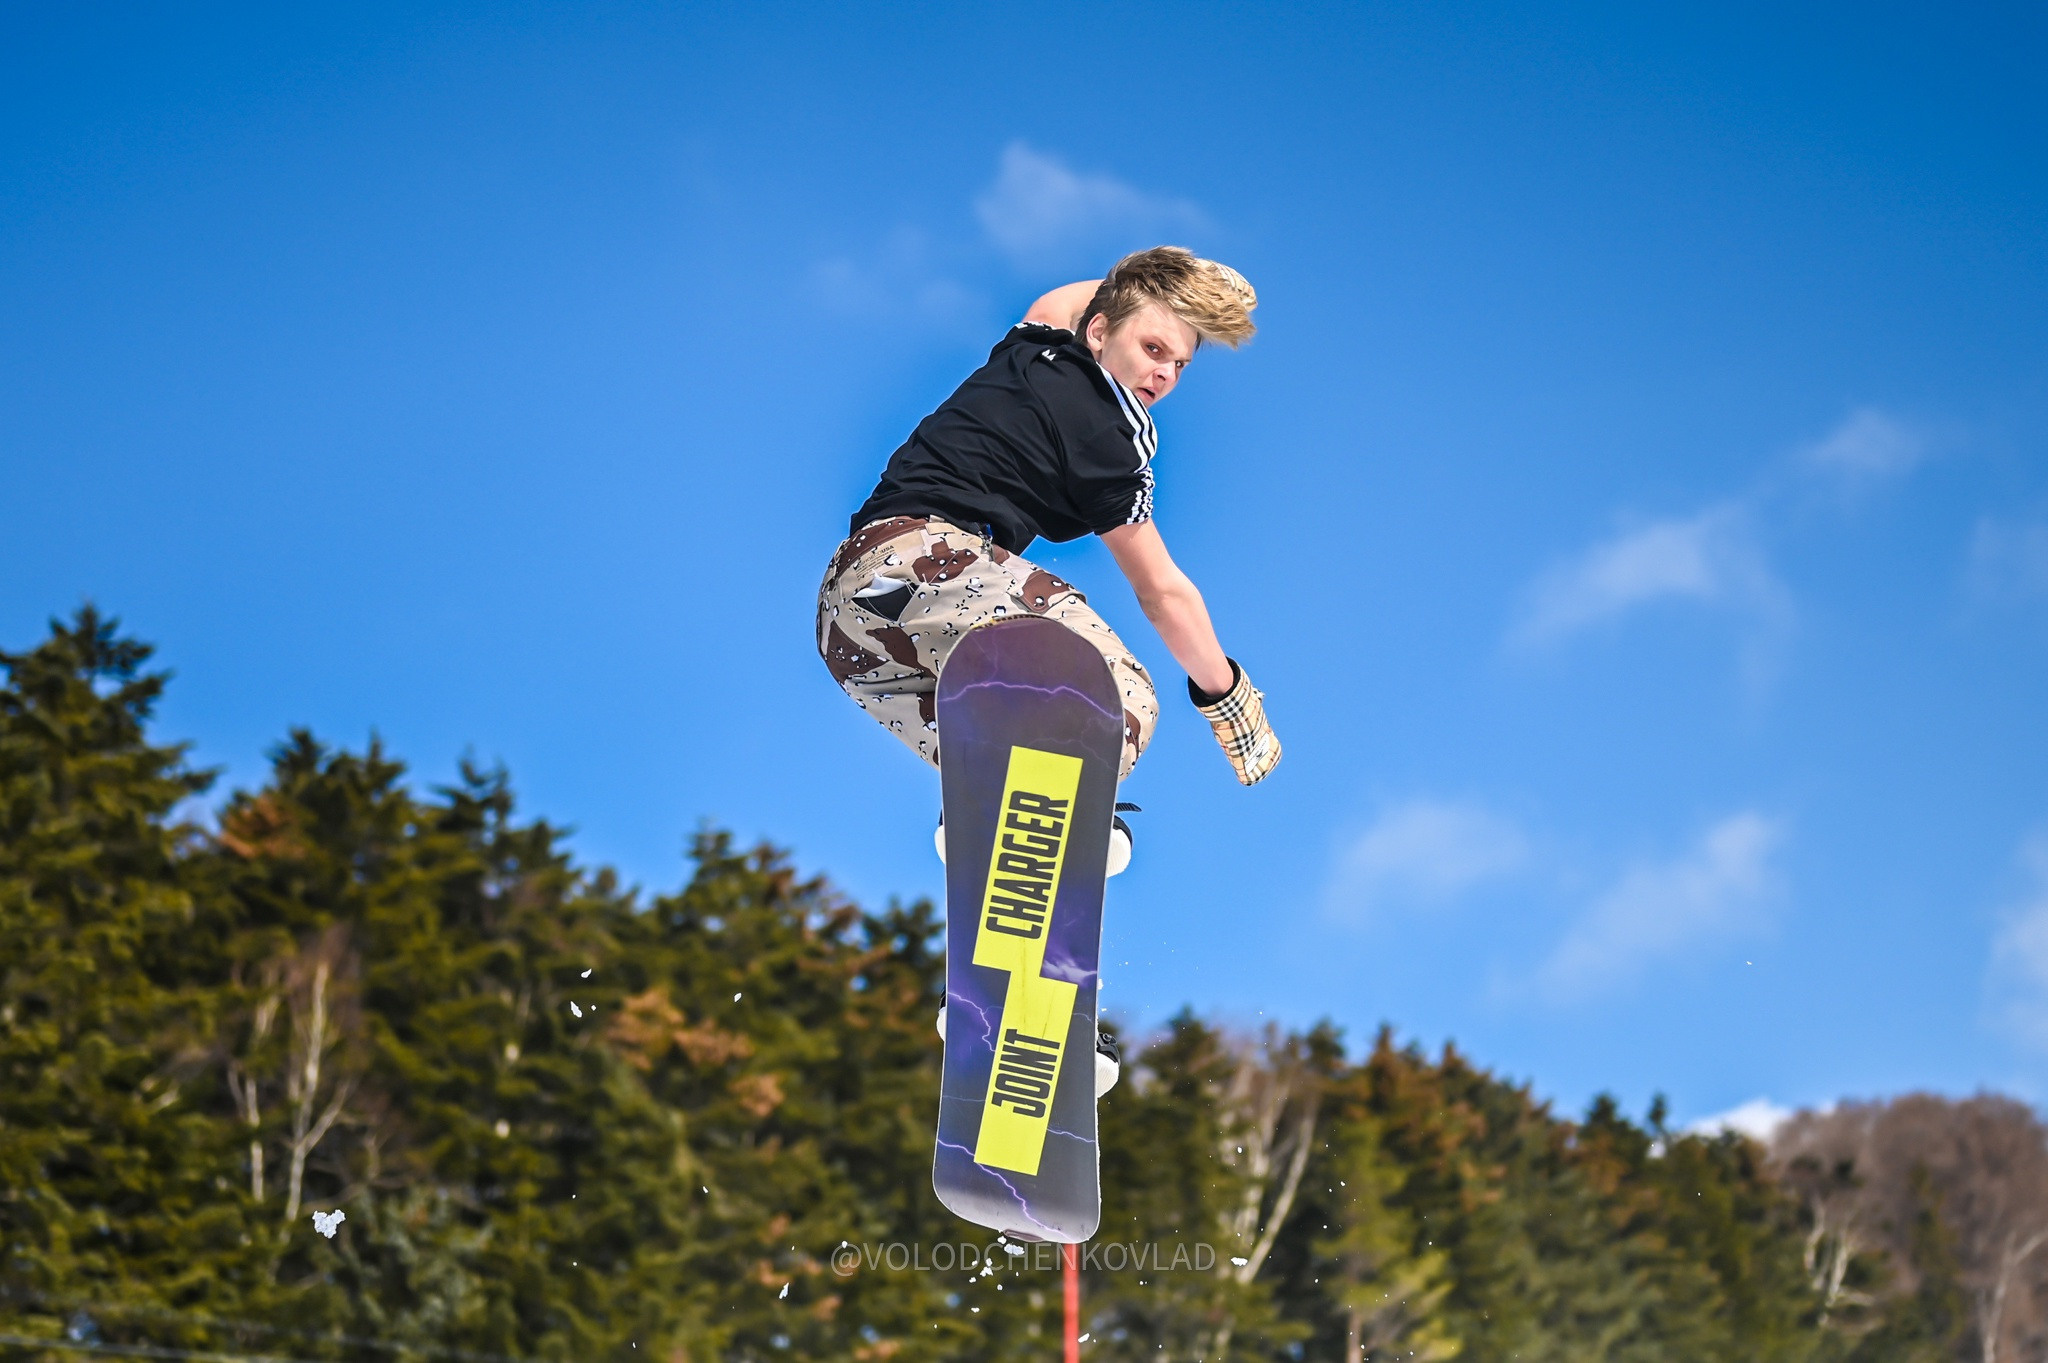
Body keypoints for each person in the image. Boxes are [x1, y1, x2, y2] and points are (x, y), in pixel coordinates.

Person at [815, 247, 1283, 1089]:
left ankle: (1002, 995)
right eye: (1153, 349)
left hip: (856, 629)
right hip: (920, 563)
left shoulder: (1033, 342)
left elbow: (1081, 293)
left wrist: (1162, 284)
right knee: (1118, 698)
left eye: (1182, 362)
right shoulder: (1111, 434)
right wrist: (1227, 695)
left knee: (1008, 774)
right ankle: (1028, 825)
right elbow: (1162, 590)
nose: (1166, 374)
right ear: (1101, 333)